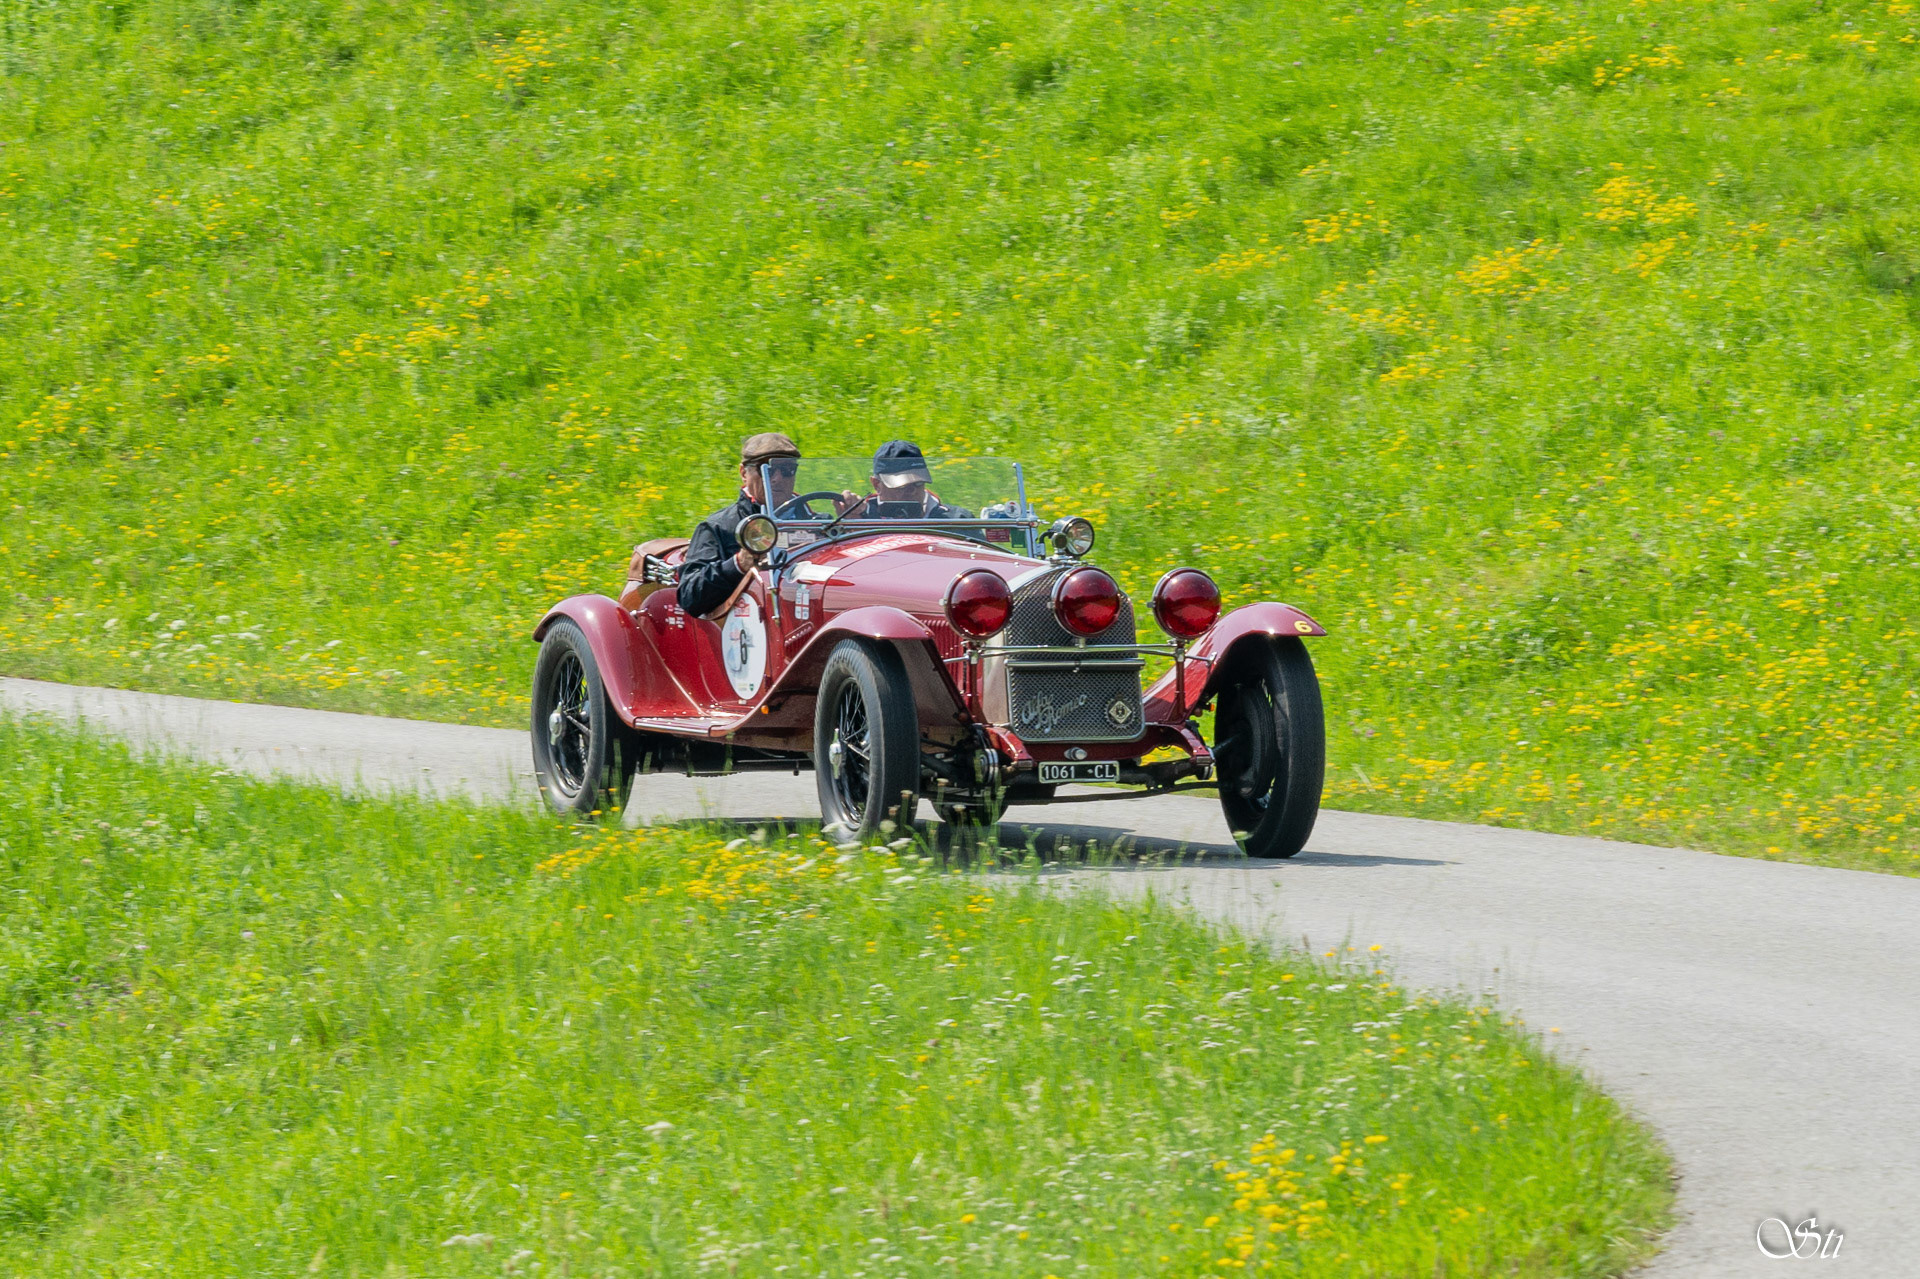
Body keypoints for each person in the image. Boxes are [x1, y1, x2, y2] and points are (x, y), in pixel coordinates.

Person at [676, 432, 801, 619]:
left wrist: (857, 516)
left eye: (787, 470)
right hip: (747, 630)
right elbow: (689, 596)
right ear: (744, 473)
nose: (777, 478)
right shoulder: (718, 527)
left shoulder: (820, 523)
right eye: (766, 470)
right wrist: (738, 564)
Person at [861, 440, 974, 519]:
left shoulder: (958, 520)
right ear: (877, 485)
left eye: (918, 483)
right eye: (901, 486)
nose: (912, 491)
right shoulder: (857, 520)